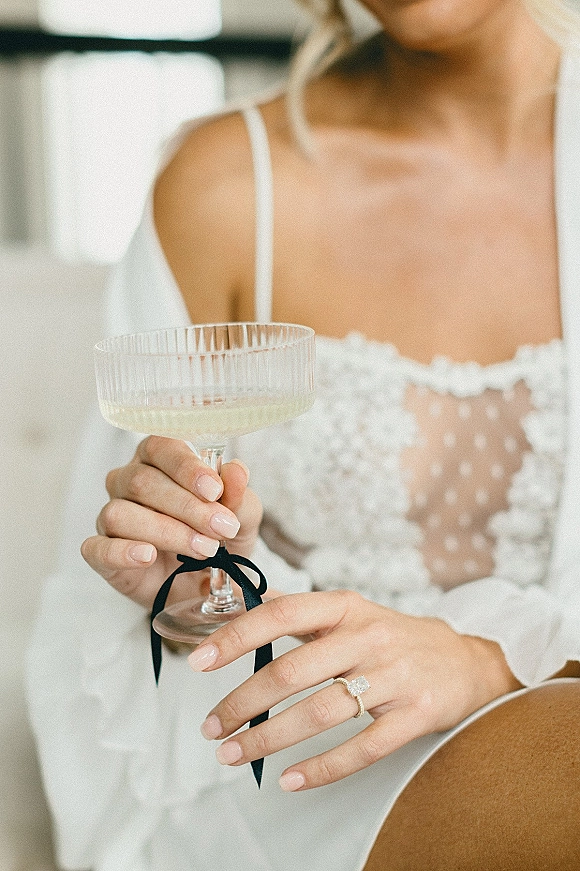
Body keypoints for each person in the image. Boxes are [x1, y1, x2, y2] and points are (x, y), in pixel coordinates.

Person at [27, 0, 580, 869]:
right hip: (288, 762)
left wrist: (490, 664)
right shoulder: (227, 185)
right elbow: (150, 587)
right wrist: (189, 583)